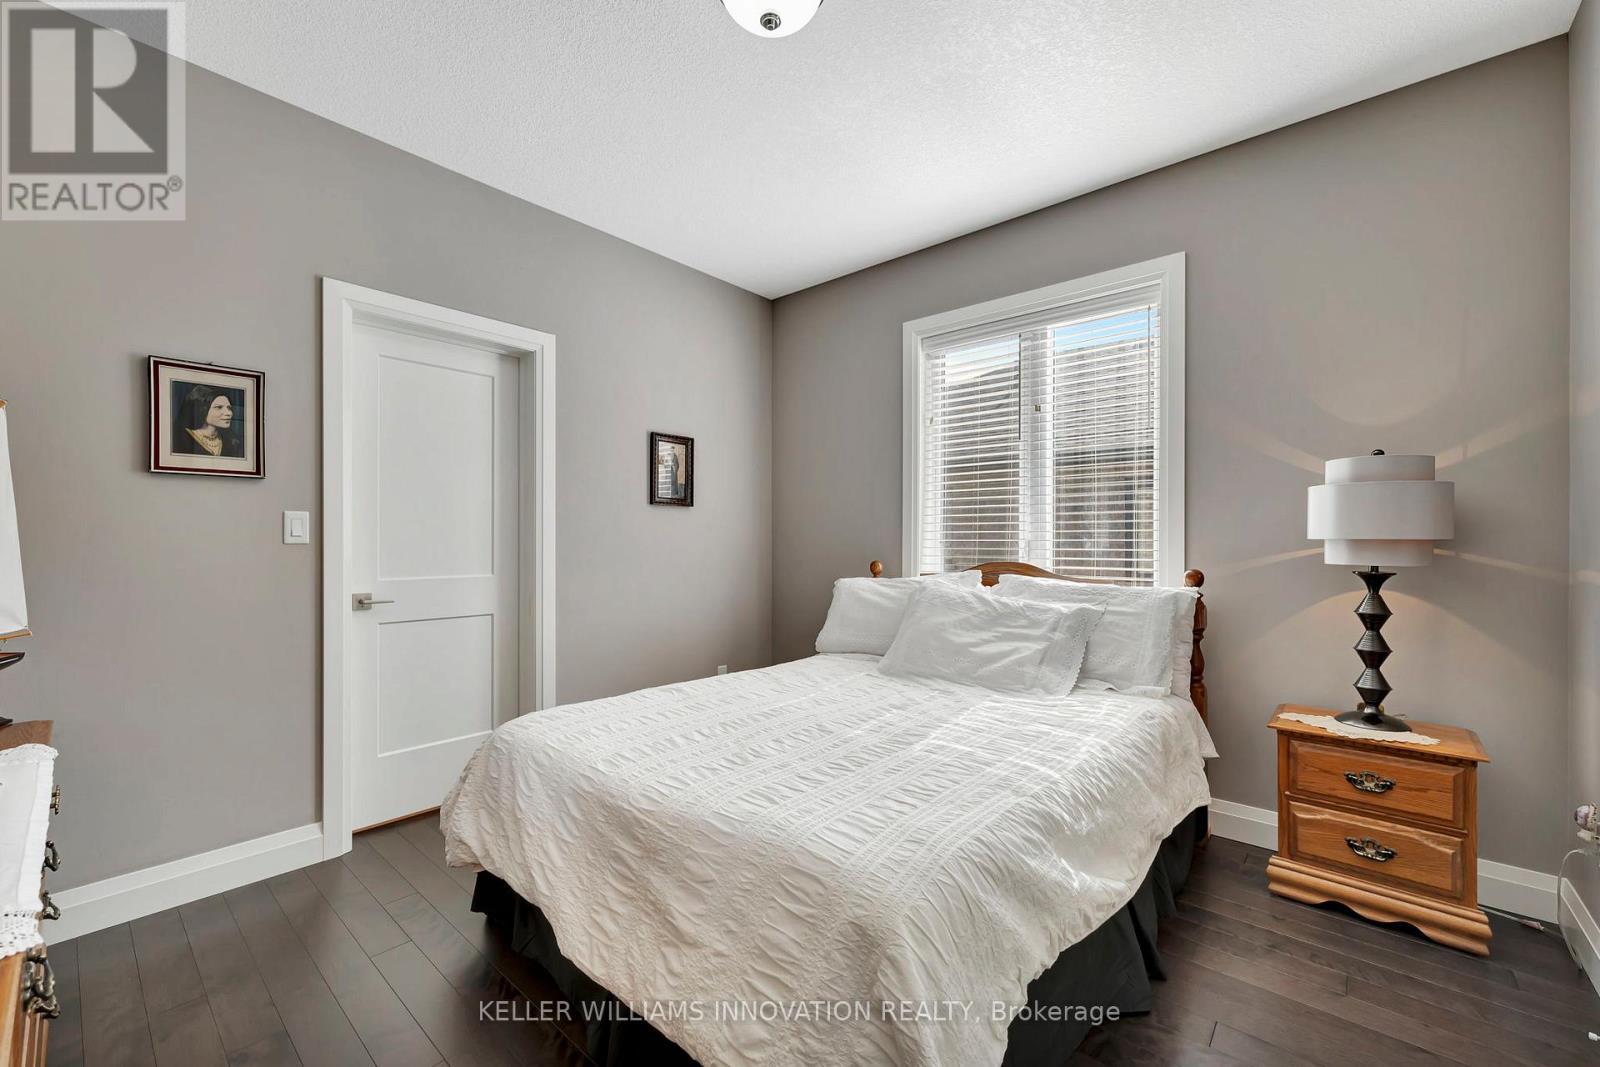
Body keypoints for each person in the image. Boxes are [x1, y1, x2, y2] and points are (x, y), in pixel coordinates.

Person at [173, 384, 242, 458]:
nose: (229, 413)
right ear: (202, 409)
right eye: (219, 407)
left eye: (229, 408)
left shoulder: (232, 441)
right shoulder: (179, 438)